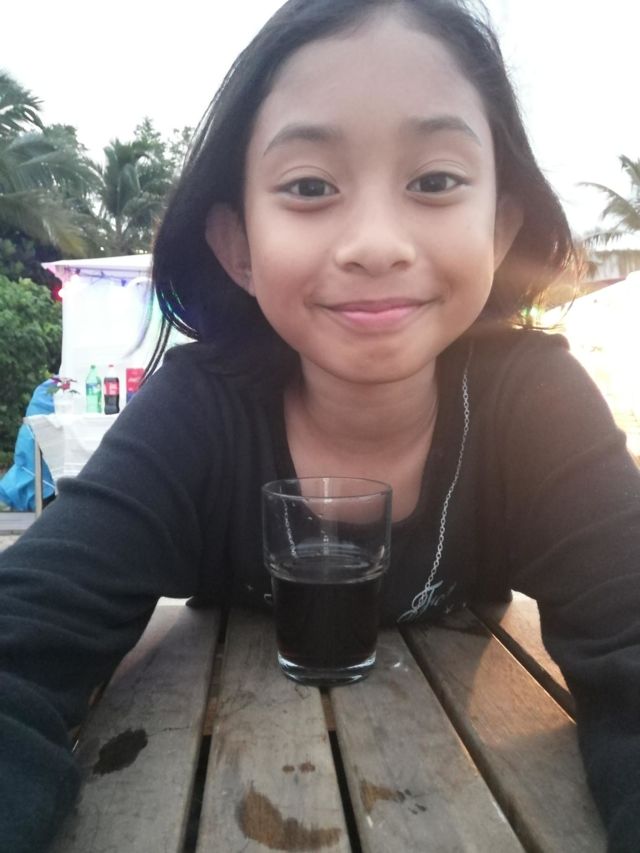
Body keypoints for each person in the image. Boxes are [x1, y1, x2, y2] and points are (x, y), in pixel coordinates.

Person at [1, 0, 639, 849]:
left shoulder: (534, 405)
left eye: (435, 181)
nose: (375, 243)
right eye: (309, 187)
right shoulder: (198, 413)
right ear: (237, 246)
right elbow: (23, 642)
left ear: (500, 228)